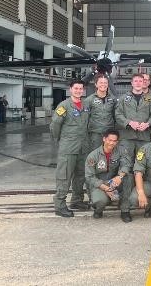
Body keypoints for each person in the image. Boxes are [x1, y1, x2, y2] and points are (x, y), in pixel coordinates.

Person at [50, 80, 91, 217]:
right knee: (65, 175)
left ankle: (77, 200)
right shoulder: (64, 105)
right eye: (76, 88)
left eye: (80, 88)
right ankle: (60, 205)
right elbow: (55, 124)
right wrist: (60, 140)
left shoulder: (85, 105)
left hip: (83, 147)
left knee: (80, 175)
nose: (78, 91)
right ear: (70, 90)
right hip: (68, 147)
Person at [85, 129, 134, 222]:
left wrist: (120, 176)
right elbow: (89, 177)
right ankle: (99, 209)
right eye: (109, 140)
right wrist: (105, 188)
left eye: (114, 141)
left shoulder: (121, 150)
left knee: (129, 177)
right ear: (104, 139)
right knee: (100, 201)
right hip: (100, 184)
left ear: (117, 142)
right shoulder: (93, 155)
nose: (111, 143)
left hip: (114, 182)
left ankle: (125, 210)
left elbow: (127, 164)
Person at [115, 73, 151, 158]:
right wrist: (129, 122)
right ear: (132, 83)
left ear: (143, 83)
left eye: (140, 81)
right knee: (125, 161)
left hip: (144, 136)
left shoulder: (150, 99)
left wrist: (148, 124)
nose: (138, 83)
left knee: (143, 160)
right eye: (136, 81)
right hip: (127, 136)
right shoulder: (123, 98)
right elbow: (118, 115)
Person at [84, 75, 117, 151]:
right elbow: (85, 118)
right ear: (96, 84)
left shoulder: (113, 99)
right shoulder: (89, 100)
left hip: (109, 133)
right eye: (101, 82)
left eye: (105, 82)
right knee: (95, 154)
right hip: (95, 134)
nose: (103, 84)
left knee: (110, 153)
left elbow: (116, 116)